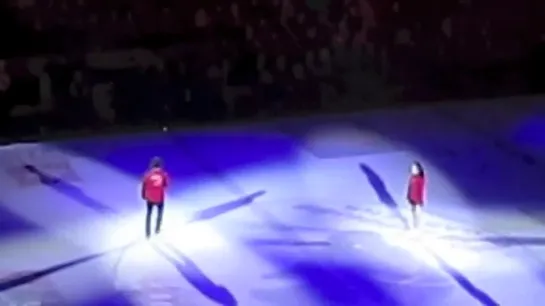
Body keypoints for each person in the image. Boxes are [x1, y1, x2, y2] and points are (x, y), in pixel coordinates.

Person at [142, 157, 169, 238]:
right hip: (160, 197)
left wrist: (143, 195)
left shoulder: (147, 175)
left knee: (149, 214)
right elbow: (166, 185)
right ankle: (157, 229)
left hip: (149, 197)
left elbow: (144, 186)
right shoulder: (163, 174)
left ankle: (147, 233)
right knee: (159, 214)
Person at [407, 161, 425, 229]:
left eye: (414, 169)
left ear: (418, 170)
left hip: (418, 200)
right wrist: (408, 196)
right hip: (412, 198)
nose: (413, 170)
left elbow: (422, 190)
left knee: (417, 214)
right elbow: (410, 187)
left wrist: (420, 200)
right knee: (412, 213)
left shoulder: (420, 179)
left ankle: (417, 227)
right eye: (412, 169)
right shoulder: (412, 177)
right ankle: (413, 226)